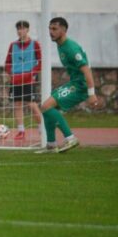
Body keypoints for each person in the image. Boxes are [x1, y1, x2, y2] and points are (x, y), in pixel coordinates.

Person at [36, 17, 98, 154]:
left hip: (80, 86)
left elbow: (86, 70)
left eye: (54, 29)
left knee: (46, 106)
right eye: (50, 29)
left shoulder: (71, 48)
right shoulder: (61, 45)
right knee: (46, 108)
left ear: (63, 30)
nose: (51, 32)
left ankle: (70, 138)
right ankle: (51, 145)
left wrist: (91, 93)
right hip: (74, 83)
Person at [4, 20, 42, 140]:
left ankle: (42, 128)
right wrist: (10, 72)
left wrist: (32, 73)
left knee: (32, 104)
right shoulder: (13, 45)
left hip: (28, 79)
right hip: (16, 79)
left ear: (27, 30)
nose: (20, 31)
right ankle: (21, 131)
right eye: (18, 29)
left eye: (23, 29)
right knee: (17, 104)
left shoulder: (35, 44)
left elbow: (40, 62)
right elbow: (8, 62)